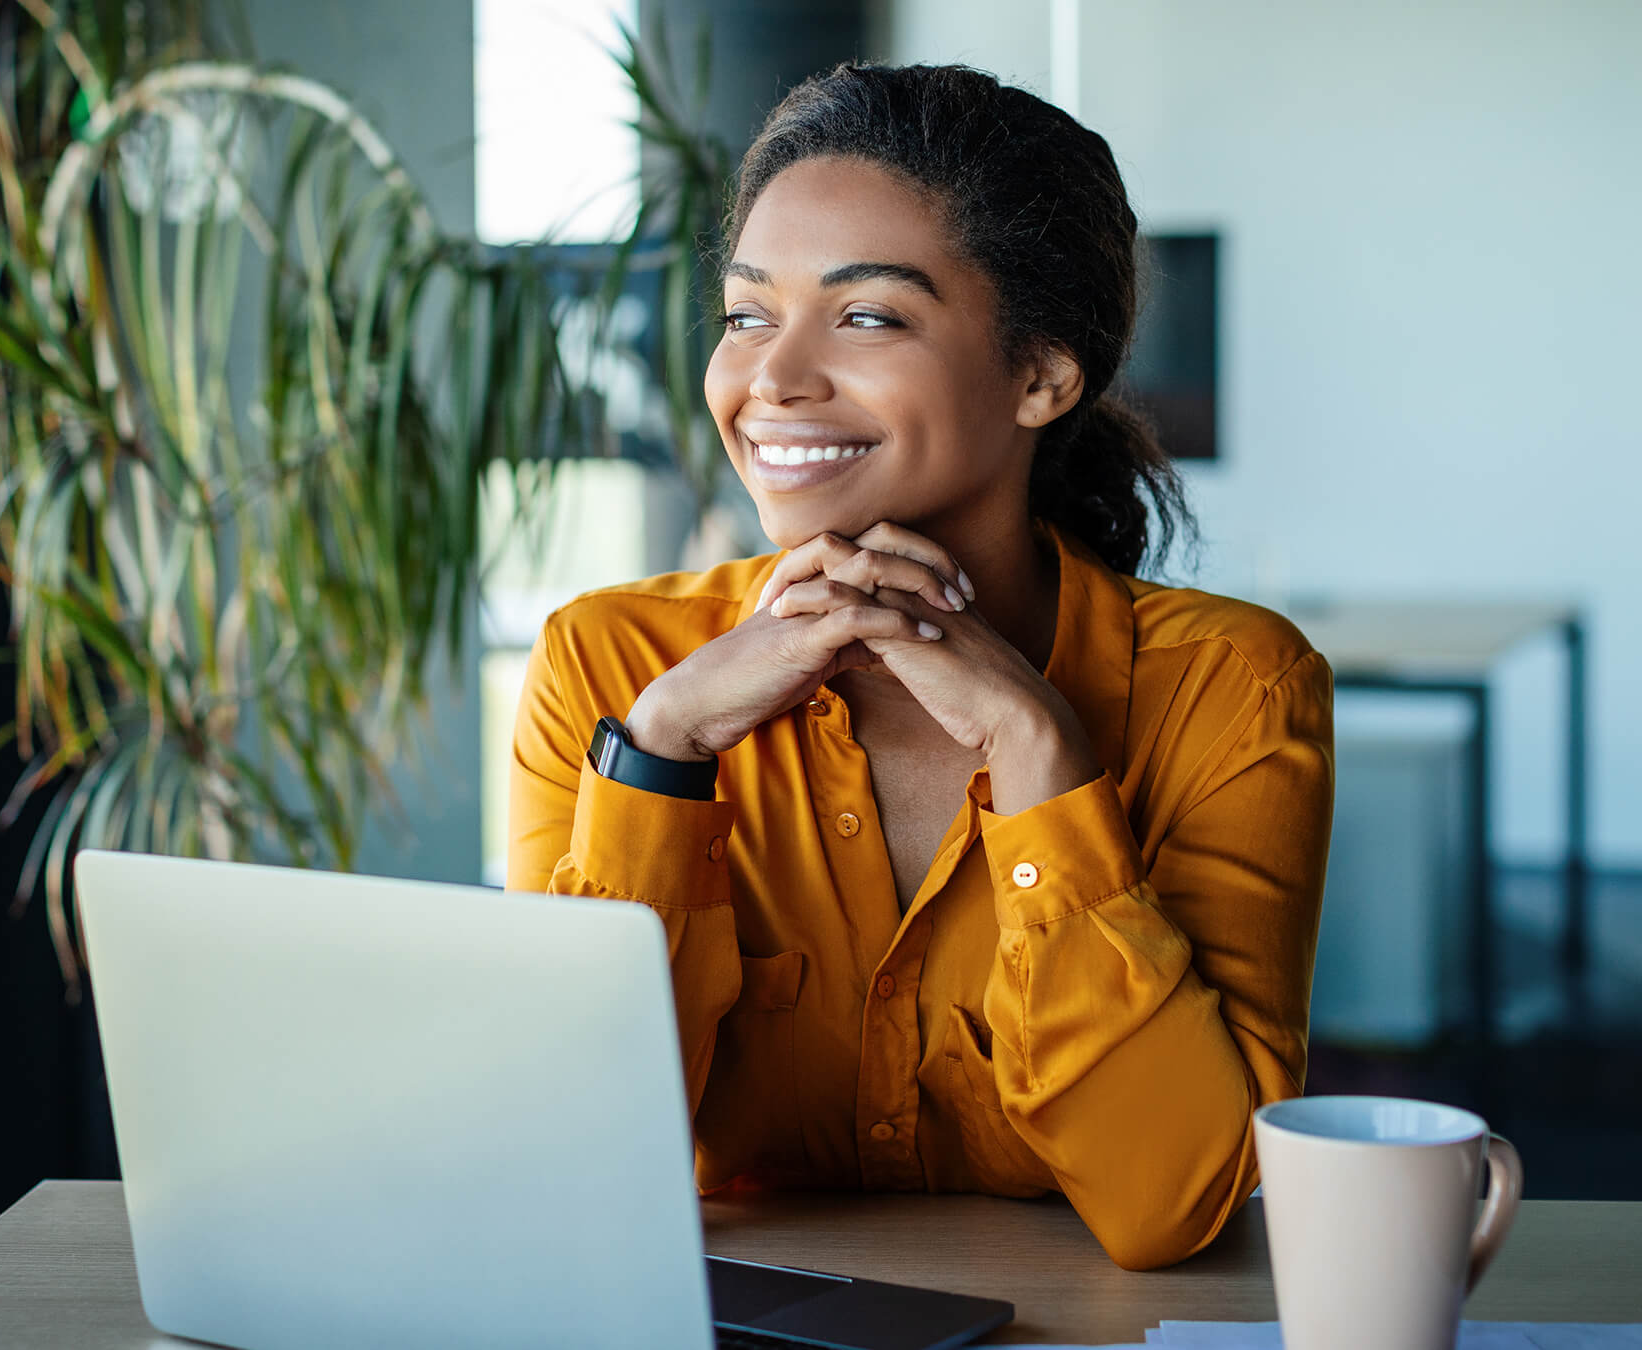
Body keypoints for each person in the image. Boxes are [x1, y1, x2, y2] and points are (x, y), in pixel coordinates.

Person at [506, 61, 1333, 1271]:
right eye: (746, 316)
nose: (771, 380)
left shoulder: (1233, 689)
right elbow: (561, 1160)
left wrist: (1041, 757)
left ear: (1043, 376)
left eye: (867, 317)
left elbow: (1176, 1202)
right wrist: (662, 758)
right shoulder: (615, 669)